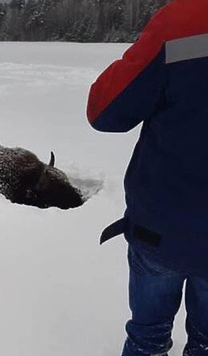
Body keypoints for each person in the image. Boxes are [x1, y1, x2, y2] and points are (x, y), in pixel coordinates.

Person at [86, 0, 208, 355]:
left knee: (147, 337)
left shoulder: (184, 17)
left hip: (163, 227)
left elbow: (104, 111)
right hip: (163, 226)